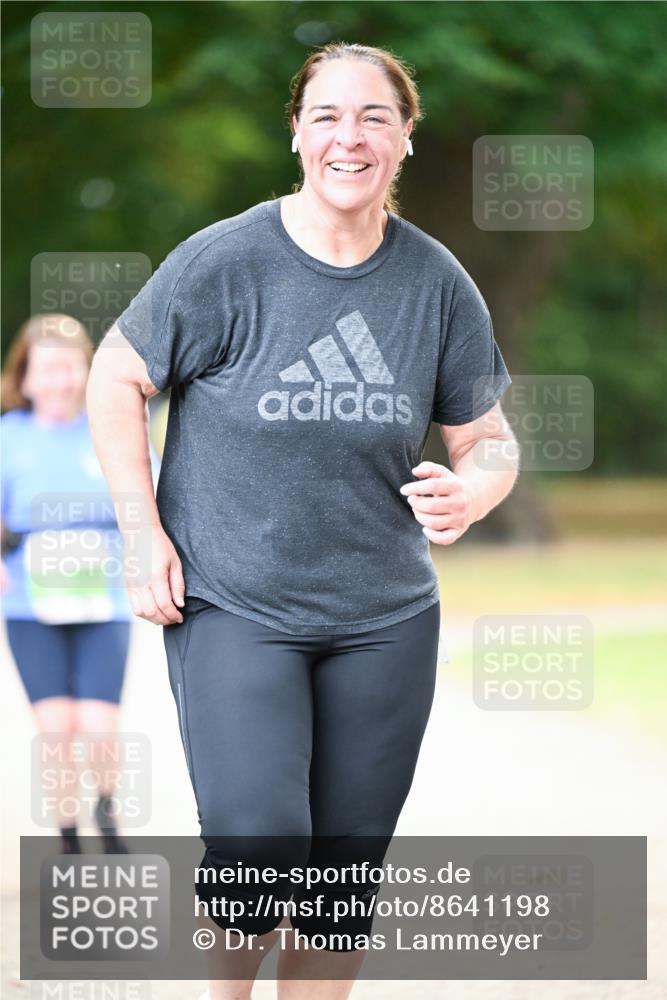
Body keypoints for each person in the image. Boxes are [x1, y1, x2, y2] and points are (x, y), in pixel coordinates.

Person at [86, 41, 519, 1000]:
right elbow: (117, 375)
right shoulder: (225, 261)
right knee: (257, 846)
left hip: (385, 617)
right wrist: (141, 528)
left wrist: (477, 487)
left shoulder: (435, 282)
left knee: (336, 885)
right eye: (327, 116)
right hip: (236, 602)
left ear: (405, 138)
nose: (348, 136)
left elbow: (487, 436)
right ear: (297, 134)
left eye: (373, 117)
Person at [1, 313, 159, 854]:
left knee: (97, 729)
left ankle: (107, 820)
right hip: (29, 605)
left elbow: (155, 499)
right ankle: (70, 840)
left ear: (88, 371)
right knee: (57, 732)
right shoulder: (8, 437)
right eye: (47, 369)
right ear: (24, 378)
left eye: (71, 367)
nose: (60, 379)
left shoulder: (110, 425)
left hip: (106, 601)